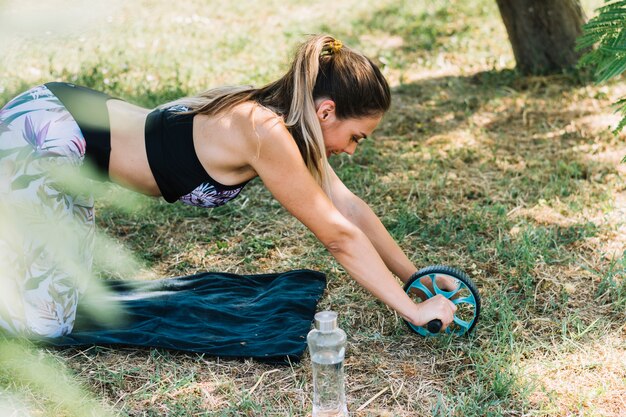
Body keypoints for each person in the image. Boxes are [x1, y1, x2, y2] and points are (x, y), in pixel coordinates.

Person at [0, 35, 457, 338]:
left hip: (74, 136)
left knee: (69, 291)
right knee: (45, 325)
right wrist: (412, 311)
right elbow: (337, 236)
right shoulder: (264, 131)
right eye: (356, 136)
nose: (354, 150)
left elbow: (349, 211)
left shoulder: (286, 124)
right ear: (326, 112)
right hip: (46, 135)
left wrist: (416, 279)